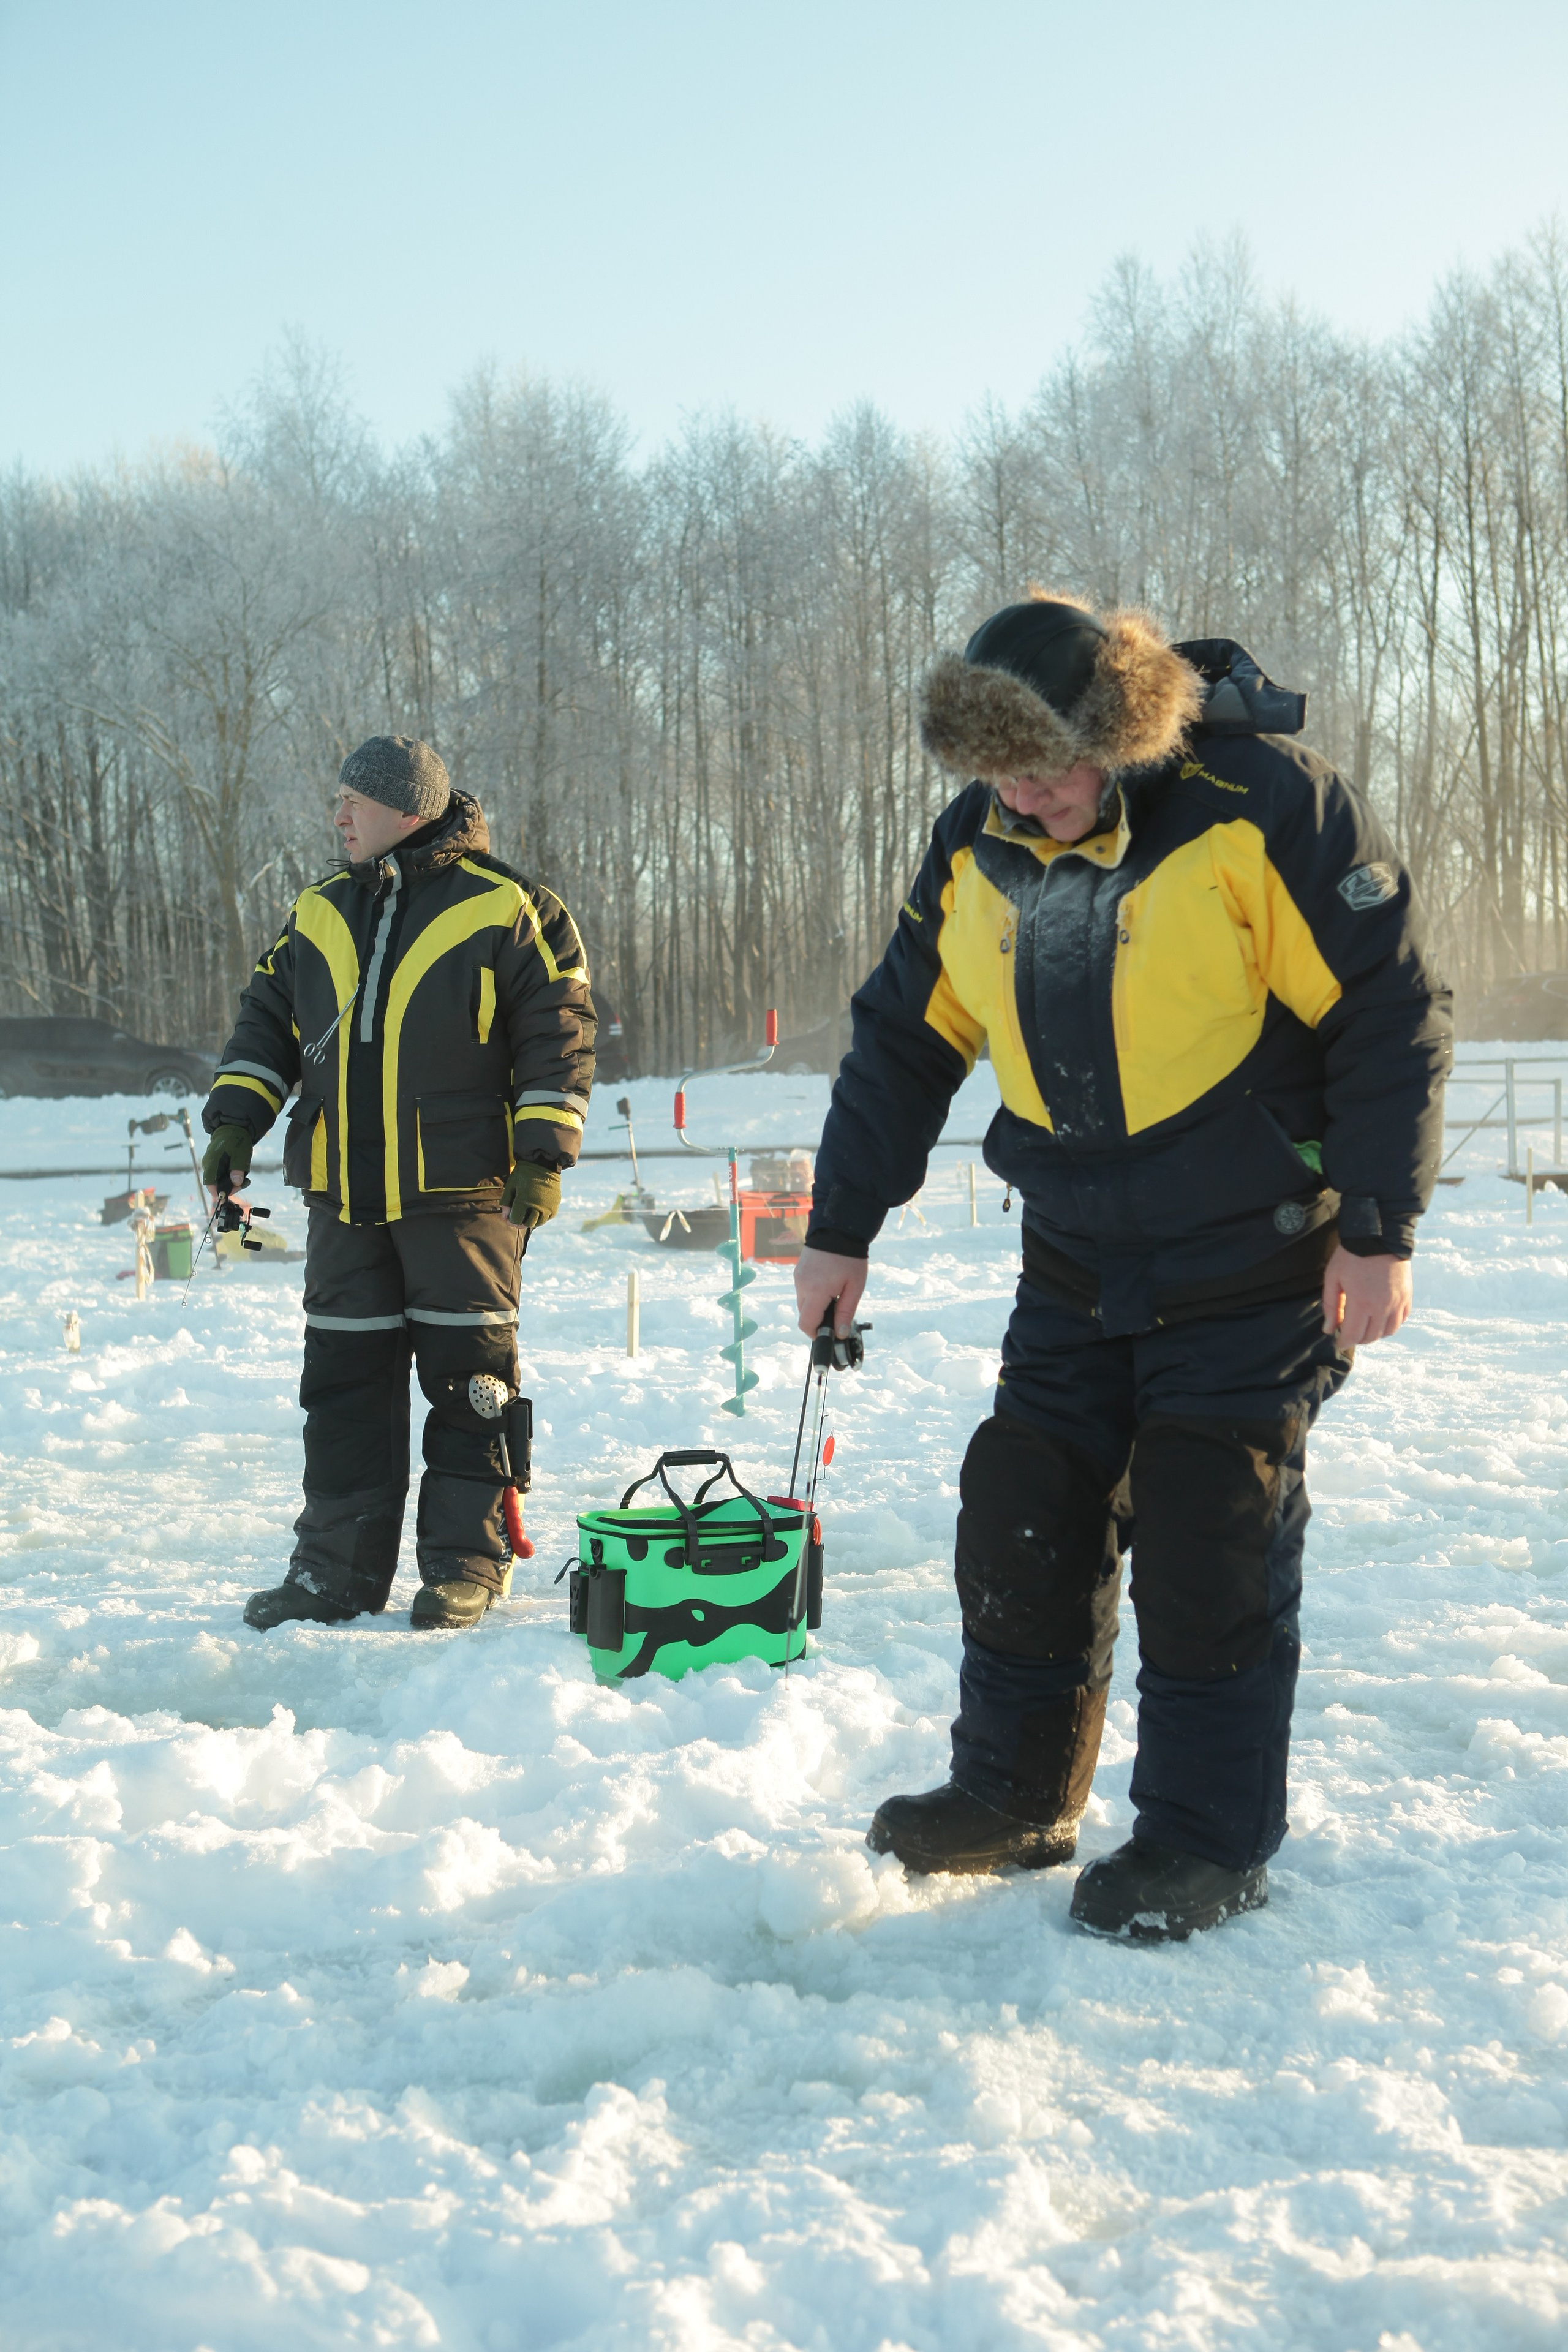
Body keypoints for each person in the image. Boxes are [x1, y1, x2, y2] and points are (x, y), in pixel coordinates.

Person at [795, 593, 1450, 1940]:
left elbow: (1386, 1011)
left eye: (1043, 766)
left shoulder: (1257, 806)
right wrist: (840, 1224)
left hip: (1253, 1253)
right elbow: (904, 1037)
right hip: (1073, 1256)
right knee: (1023, 1508)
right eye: (994, 772)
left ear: (1115, 734)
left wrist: (1378, 1227)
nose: (1021, 796)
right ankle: (1012, 1794)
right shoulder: (978, 841)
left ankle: (1205, 1841)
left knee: (1211, 1534)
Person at [202, 735, 595, 1632]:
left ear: (408, 809)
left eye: (356, 801)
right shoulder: (318, 910)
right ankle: (332, 1574)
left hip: (466, 1197)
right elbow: (266, 1022)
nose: (338, 816)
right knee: (342, 1390)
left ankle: (466, 1566)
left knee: (473, 1390)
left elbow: (560, 1033)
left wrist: (543, 1155)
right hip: (343, 1198)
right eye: (338, 800)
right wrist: (235, 1119)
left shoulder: (509, 906)